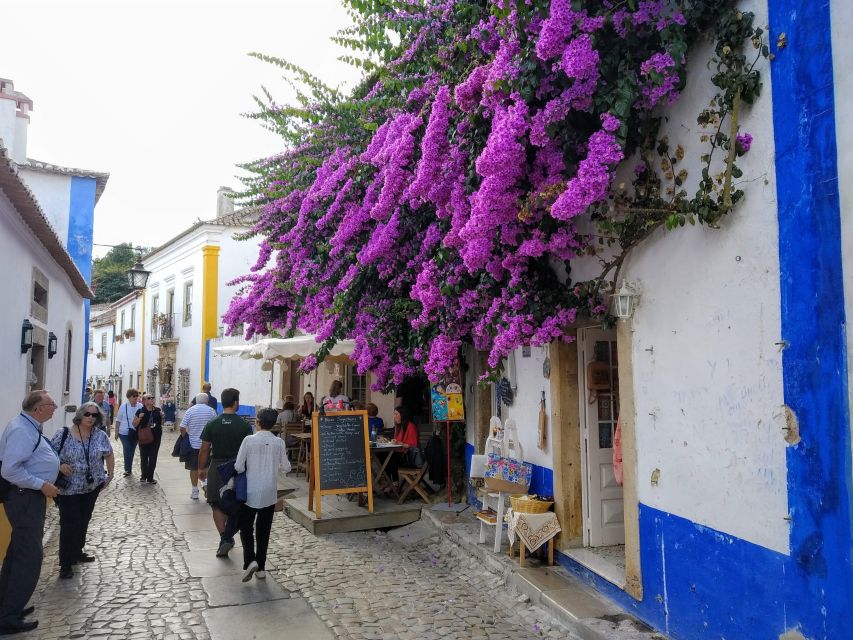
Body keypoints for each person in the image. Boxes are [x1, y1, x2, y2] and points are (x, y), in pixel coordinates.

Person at [0, 390, 60, 635]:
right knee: (29, 558)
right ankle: (8, 616)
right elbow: (10, 470)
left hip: (27, 498)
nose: (55, 407)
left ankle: (7, 605)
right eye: (51, 404)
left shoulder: (27, 426)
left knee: (17, 554)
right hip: (25, 498)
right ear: (38, 409)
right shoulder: (22, 431)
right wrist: (41, 484)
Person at [51, 402, 114, 579]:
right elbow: (49, 455)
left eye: (95, 415)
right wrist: (60, 465)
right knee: (69, 523)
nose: (91, 418)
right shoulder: (64, 434)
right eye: (87, 414)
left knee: (84, 519)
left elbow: (108, 453)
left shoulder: (100, 435)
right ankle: (65, 563)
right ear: (80, 415)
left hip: (92, 487)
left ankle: (77, 551)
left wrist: (110, 475)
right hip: (69, 488)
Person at [234, 408, 291, 581]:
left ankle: (250, 560)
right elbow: (286, 467)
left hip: (250, 492)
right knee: (264, 530)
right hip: (269, 492)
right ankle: (261, 568)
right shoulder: (279, 442)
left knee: (246, 527)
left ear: (257, 422)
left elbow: (238, 466)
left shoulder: (249, 440)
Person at [197, 388, 252, 558]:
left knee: (216, 502)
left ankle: (224, 537)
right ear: (236, 403)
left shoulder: (213, 423)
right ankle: (228, 535)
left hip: (217, 467)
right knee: (235, 503)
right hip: (237, 467)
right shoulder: (244, 425)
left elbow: (204, 449)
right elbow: (249, 450)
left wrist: (201, 468)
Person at [180, 393, 217, 500]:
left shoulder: (190, 411)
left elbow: (182, 427)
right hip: (207, 445)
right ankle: (206, 487)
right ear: (207, 401)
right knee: (206, 467)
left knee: (193, 469)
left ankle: (194, 491)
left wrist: (185, 437)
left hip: (193, 445)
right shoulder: (211, 411)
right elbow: (215, 426)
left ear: (196, 400)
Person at [133, 394, 163, 484]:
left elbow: (162, 423)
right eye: (149, 398)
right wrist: (139, 417)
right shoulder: (140, 411)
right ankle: (143, 476)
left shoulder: (157, 410)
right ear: (144, 401)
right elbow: (134, 424)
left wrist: (162, 417)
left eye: (152, 398)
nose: (152, 399)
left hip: (156, 436)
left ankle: (150, 477)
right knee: (144, 457)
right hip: (144, 437)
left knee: (153, 457)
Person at [113, 389, 143, 477]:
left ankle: (128, 468)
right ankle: (127, 470)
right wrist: (116, 432)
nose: (136, 398)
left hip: (135, 432)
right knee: (127, 449)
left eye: (137, 396)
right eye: (134, 396)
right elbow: (118, 420)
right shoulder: (123, 406)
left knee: (132, 450)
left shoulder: (140, 406)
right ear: (129, 397)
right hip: (124, 432)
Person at [386, 406, 419, 483]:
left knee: (390, 459)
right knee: (382, 456)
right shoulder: (399, 427)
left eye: (396, 414)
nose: (394, 416)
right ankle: (390, 482)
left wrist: (399, 443)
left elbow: (413, 446)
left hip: (409, 458)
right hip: (400, 454)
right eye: (394, 414)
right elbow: (396, 442)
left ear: (403, 415)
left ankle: (394, 483)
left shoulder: (411, 426)